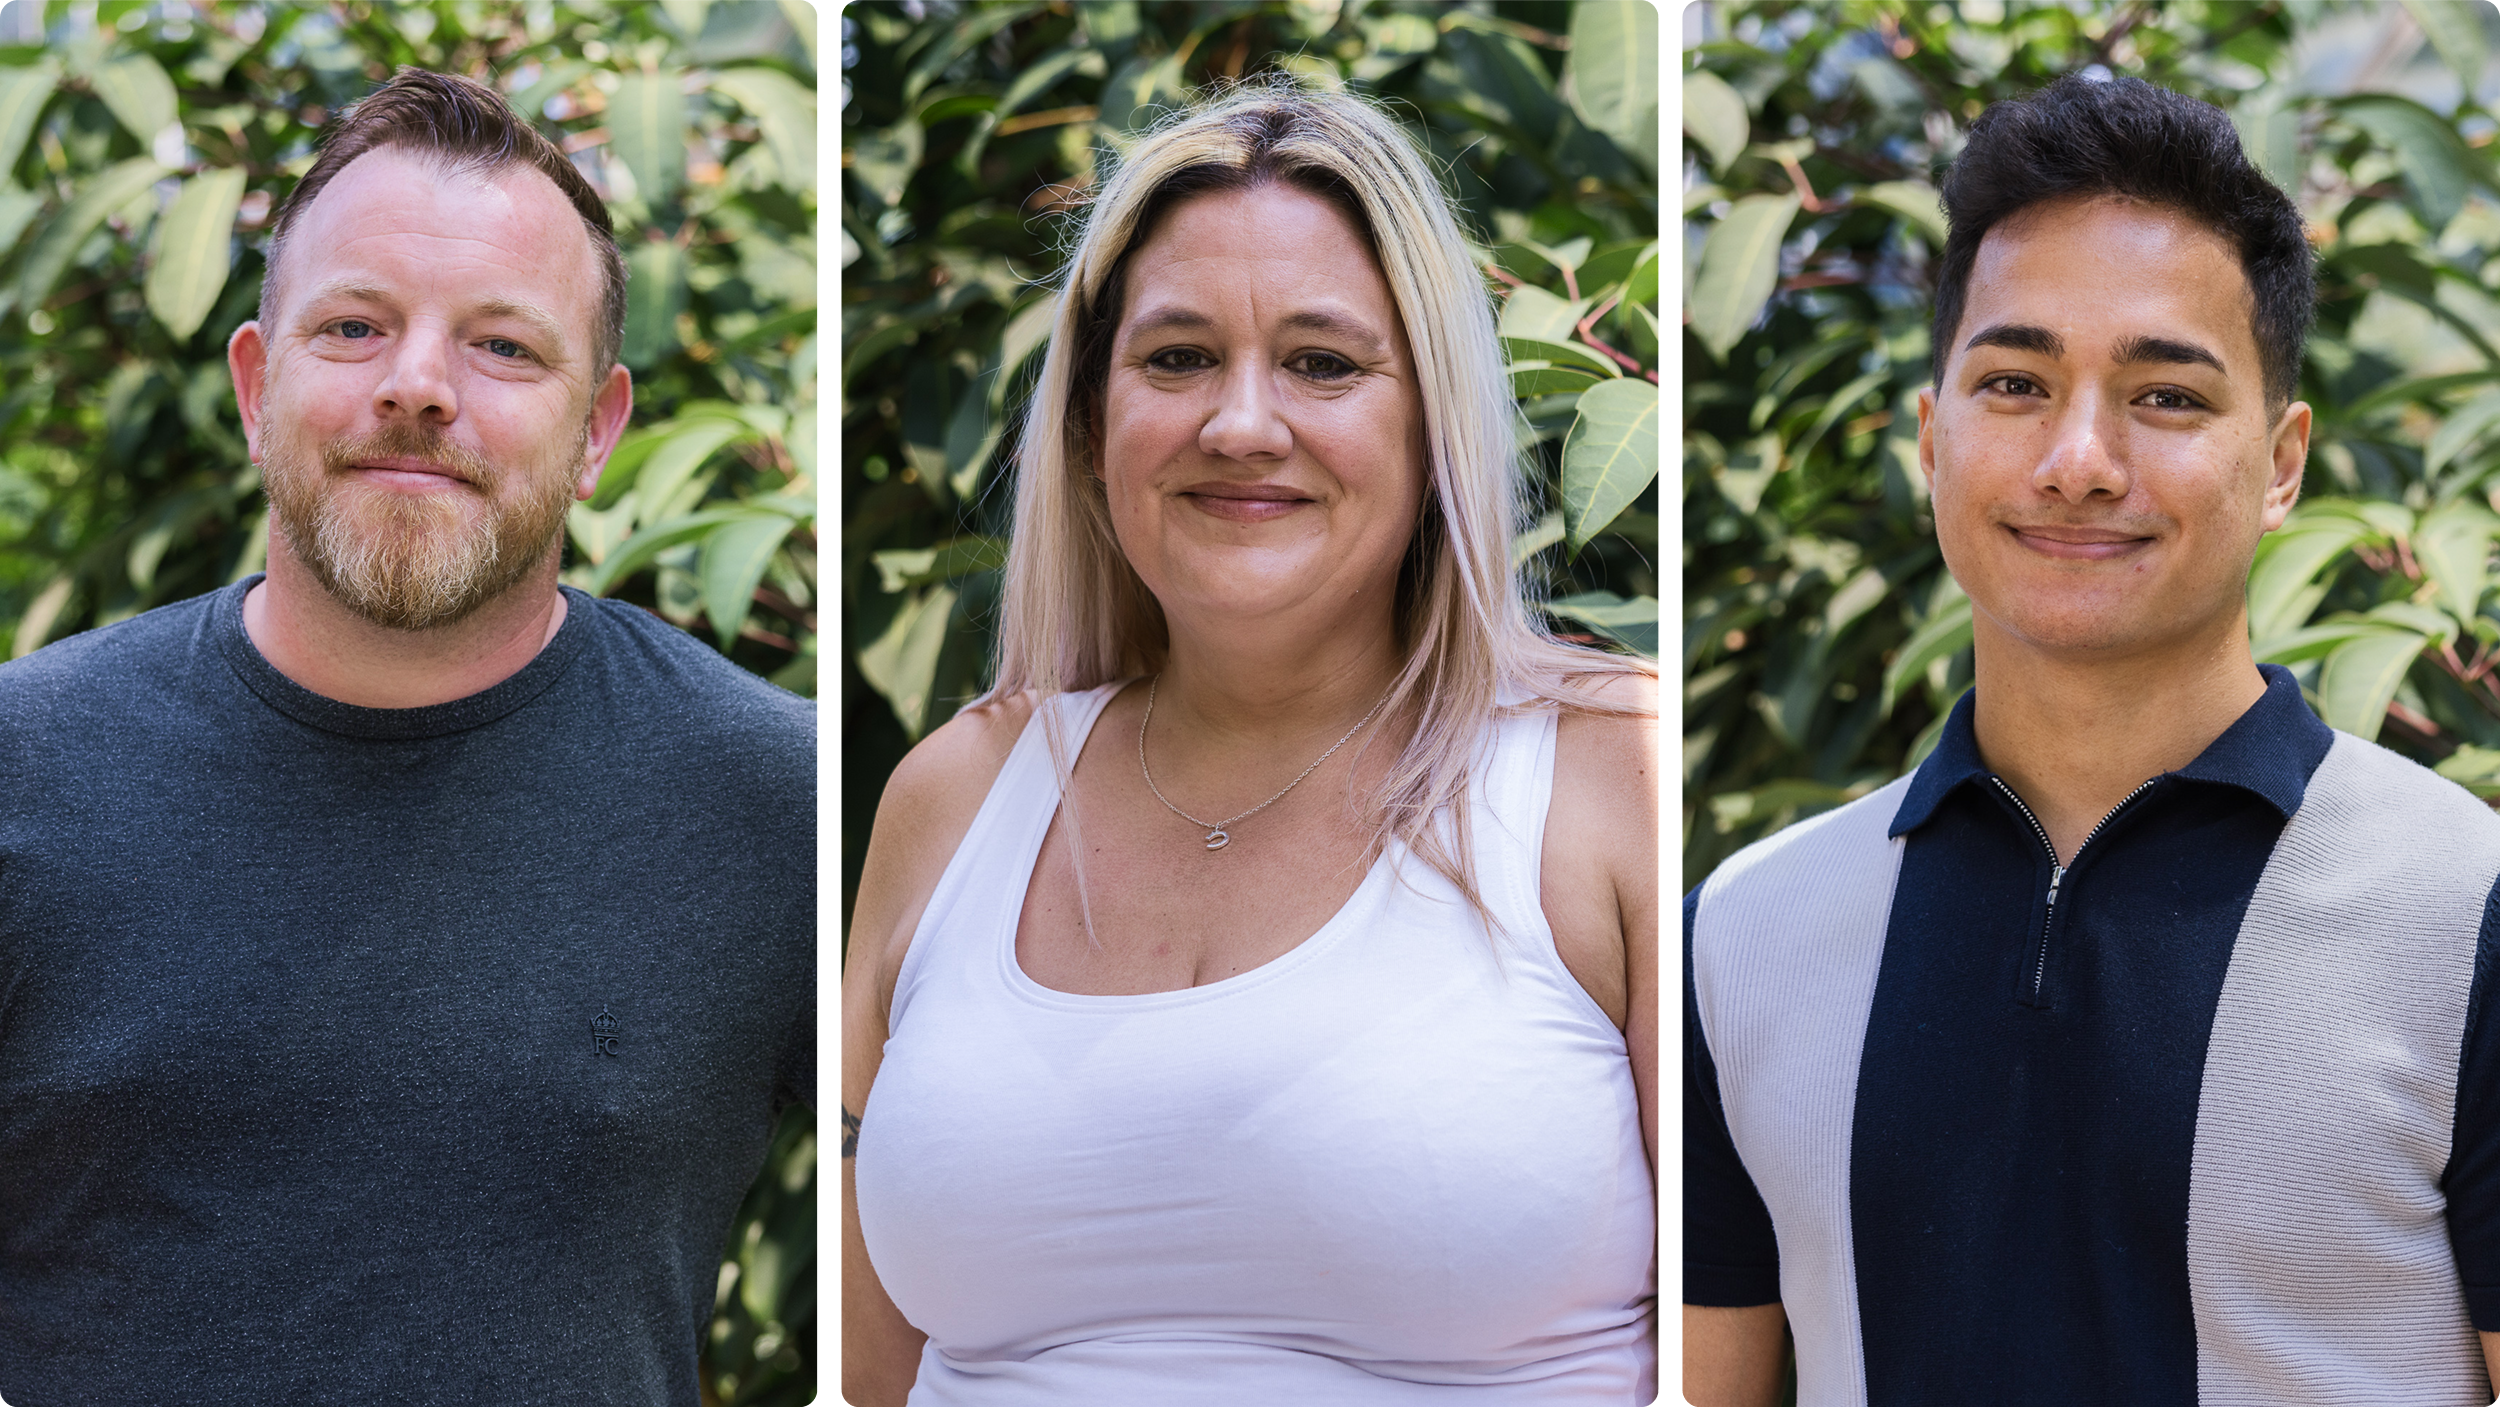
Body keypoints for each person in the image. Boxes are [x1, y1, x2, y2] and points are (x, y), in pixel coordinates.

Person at [840, 74, 1662, 1407]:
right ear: (1094, 425)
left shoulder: (1609, 769)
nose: (1241, 424)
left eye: (1323, 362)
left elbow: (1740, 1323)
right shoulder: (956, 795)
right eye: (1176, 357)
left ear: (1432, 420)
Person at [1682, 71, 2500, 1406]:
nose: (2079, 460)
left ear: (2283, 460)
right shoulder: (1739, 940)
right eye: (2014, 382)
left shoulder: (2468, 914)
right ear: (1932, 439)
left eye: (2166, 397)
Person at [0, 67, 816, 1404]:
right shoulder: (22, 767)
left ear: (599, 429)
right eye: (356, 327)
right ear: (258, 386)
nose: (419, 388)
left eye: (503, 344)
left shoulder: (773, 801)